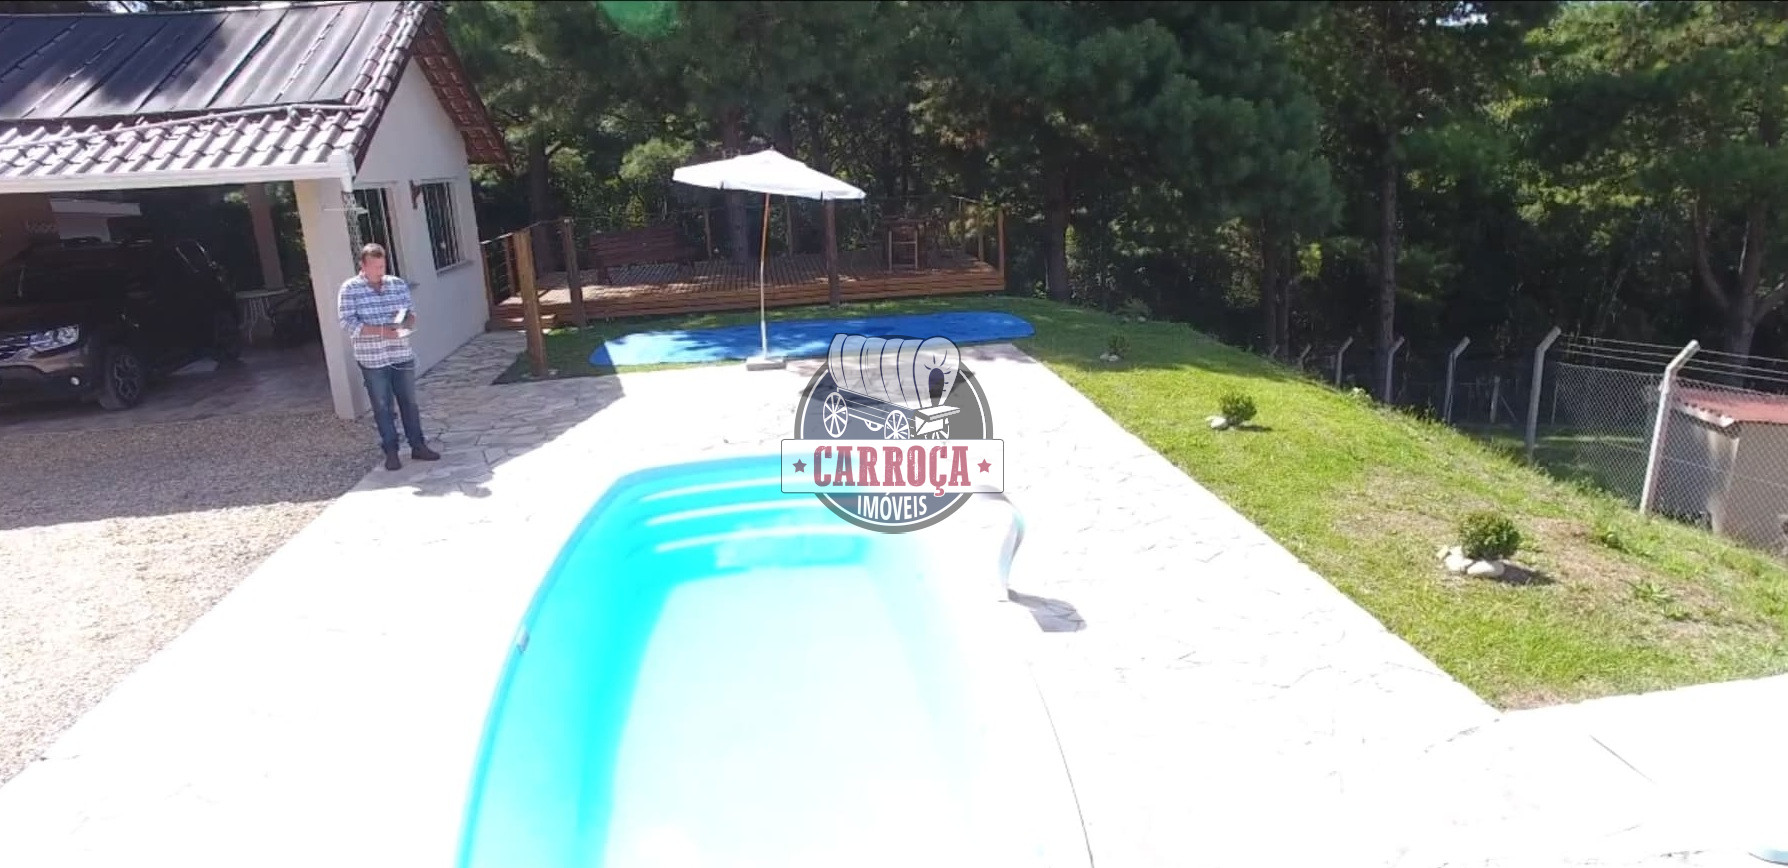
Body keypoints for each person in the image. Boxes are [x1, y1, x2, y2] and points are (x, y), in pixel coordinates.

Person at [337, 243, 440, 471]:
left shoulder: (397, 284)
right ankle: (391, 451)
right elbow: (347, 322)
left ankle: (418, 445)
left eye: (382, 266)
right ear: (363, 266)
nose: (379, 271)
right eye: (374, 267)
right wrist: (381, 331)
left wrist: (406, 323)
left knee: (409, 402)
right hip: (372, 358)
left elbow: (411, 314)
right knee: (382, 405)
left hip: (400, 353)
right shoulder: (350, 289)